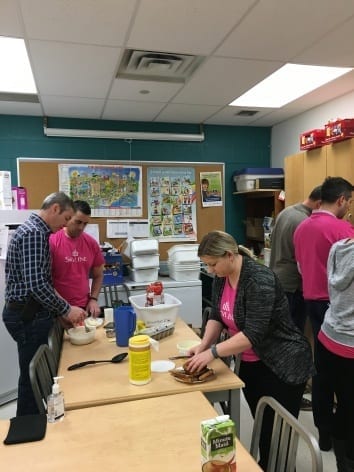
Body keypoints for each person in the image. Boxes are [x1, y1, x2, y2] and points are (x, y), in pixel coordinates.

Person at [185, 230, 315, 470]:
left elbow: (253, 335)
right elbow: (217, 314)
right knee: (263, 426)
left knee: (276, 438)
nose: (211, 270)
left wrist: (212, 353)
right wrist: (203, 344)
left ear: (229, 255)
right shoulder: (222, 277)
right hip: (251, 364)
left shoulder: (258, 280)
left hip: (282, 364)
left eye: (213, 264)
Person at [2, 192, 86, 416]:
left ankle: (33, 419)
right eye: (67, 218)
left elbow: (43, 281)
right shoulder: (34, 234)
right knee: (32, 377)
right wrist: (67, 309)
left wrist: (58, 312)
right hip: (26, 315)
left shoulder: (36, 231)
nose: (66, 224)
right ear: (55, 209)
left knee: (34, 374)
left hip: (31, 312)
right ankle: (28, 426)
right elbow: (37, 285)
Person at [294, 176, 354, 451]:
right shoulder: (343, 230)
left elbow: (300, 266)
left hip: (312, 302)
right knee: (342, 377)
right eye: (349, 201)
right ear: (341, 200)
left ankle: (324, 432)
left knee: (321, 367)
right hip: (337, 308)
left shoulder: (301, 226)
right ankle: (342, 433)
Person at [318, 239, 354, 471]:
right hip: (350, 344)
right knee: (350, 409)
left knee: (340, 402)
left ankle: (333, 447)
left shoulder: (339, 247)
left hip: (328, 334)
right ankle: (347, 461)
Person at [270, 185, 322, 333]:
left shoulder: (286, 212)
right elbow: (306, 261)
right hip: (293, 286)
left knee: (281, 331)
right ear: (319, 204)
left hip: (278, 279)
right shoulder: (305, 222)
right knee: (293, 333)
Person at [49, 200, 105, 325]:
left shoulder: (91, 243)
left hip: (82, 308)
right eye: (78, 222)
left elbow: (98, 275)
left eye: (85, 224)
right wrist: (65, 308)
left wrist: (93, 299)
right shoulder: (52, 241)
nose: (81, 227)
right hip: (58, 309)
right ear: (68, 218)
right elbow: (45, 281)